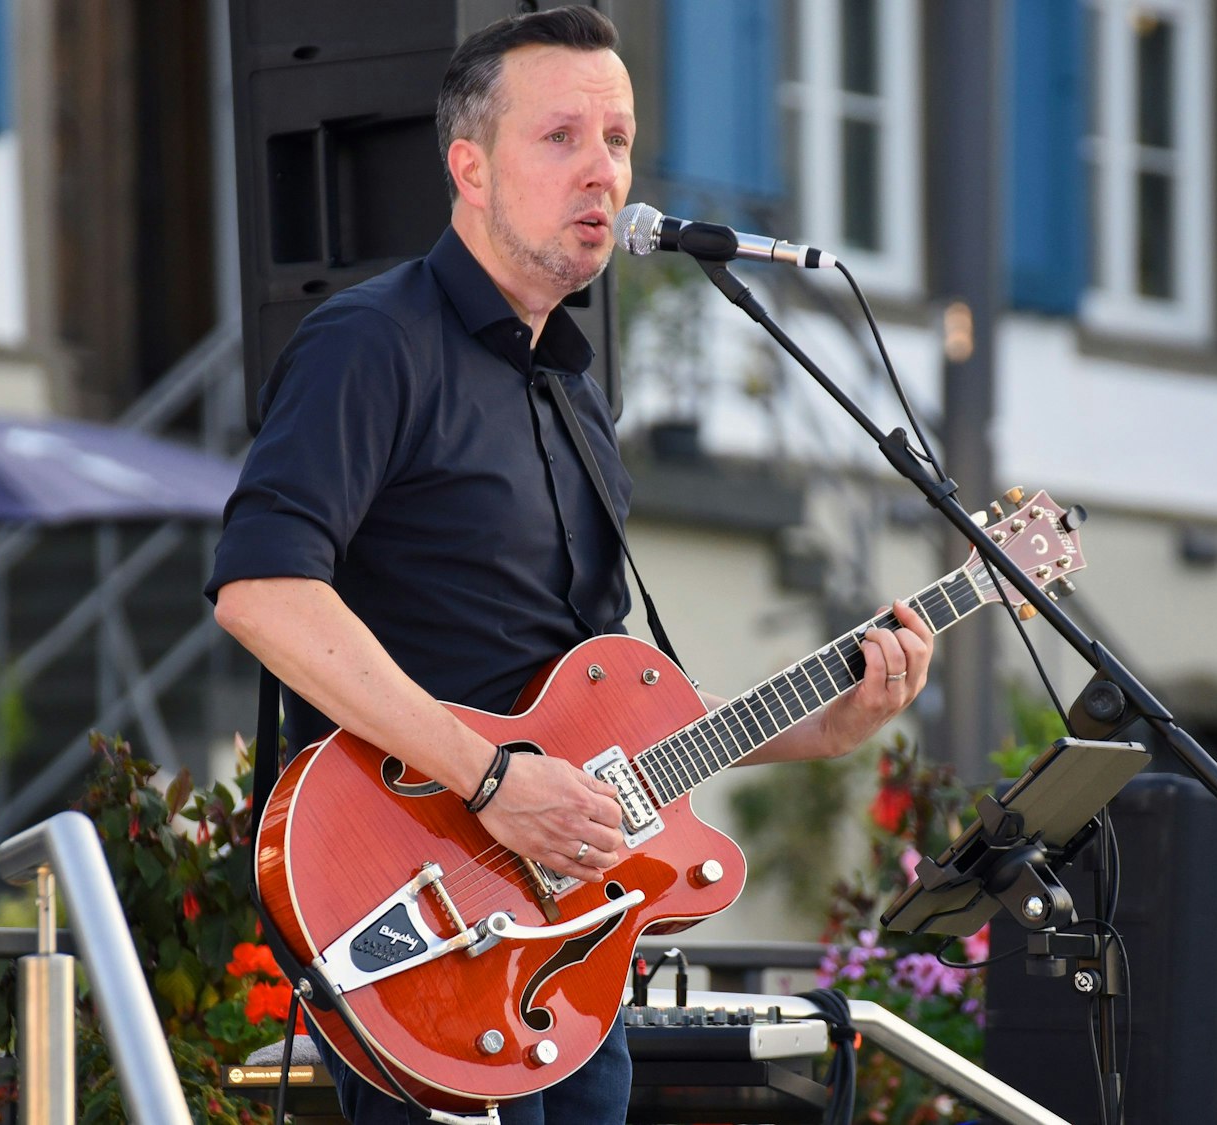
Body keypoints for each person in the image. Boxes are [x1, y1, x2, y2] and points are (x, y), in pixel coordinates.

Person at [206, 8, 934, 1122]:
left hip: (566, 954)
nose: (603, 171)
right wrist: (492, 781)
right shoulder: (371, 342)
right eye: (561, 138)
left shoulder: (577, 395)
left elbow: (608, 719)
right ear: (470, 168)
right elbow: (263, 592)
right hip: (422, 918)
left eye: (618, 140)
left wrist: (820, 730)